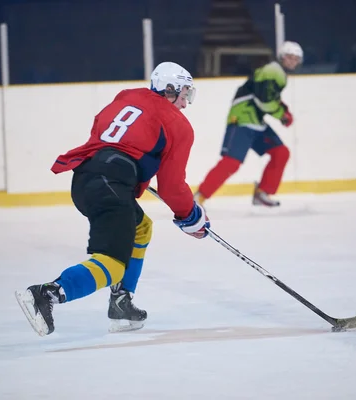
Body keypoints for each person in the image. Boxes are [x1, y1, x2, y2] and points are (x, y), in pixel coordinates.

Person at [15, 62, 210, 336]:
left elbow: (102, 131)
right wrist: (191, 216)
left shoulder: (127, 96)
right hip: (111, 185)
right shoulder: (178, 124)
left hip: (86, 176)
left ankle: (121, 303)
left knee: (142, 227)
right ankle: (47, 294)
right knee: (113, 264)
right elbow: (171, 187)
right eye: (185, 94)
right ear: (170, 90)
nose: (186, 104)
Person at [194, 41, 304, 207]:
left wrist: (282, 109)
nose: (292, 61)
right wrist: (283, 115)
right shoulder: (274, 71)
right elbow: (264, 100)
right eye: (289, 57)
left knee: (280, 152)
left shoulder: (277, 72)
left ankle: (262, 193)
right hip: (242, 118)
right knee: (231, 161)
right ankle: (199, 197)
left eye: (296, 59)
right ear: (282, 56)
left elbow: (267, 97)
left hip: (255, 121)